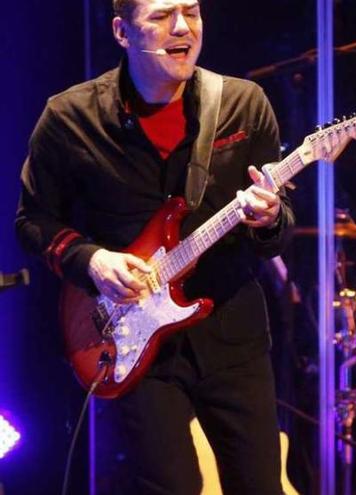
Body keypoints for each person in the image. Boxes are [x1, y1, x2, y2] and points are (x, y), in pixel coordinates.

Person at [15, 1, 294, 493]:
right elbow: (32, 221)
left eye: (192, 12)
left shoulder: (243, 104)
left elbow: (281, 229)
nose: (183, 27)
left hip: (233, 338)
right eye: (163, 16)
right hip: (130, 340)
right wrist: (93, 261)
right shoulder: (70, 117)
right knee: (170, 485)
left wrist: (270, 219)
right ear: (122, 32)